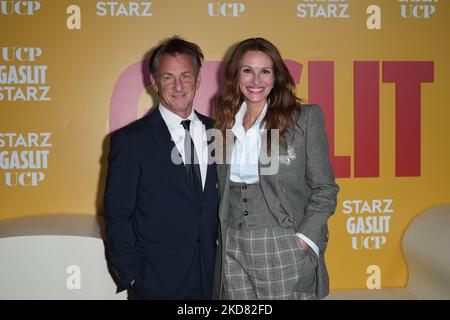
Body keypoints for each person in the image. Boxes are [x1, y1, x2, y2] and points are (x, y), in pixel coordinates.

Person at [213, 37, 339, 300]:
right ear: (236, 75)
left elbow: (325, 188)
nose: (255, 80)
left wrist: (304, 239)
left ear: (276, 76)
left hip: (281, 243)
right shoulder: (224, 125)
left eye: (265, 71)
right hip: (231, 245)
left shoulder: (303, 119)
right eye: (247, 70)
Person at [104, 36, 219, 299]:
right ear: (154, 82)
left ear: (198, 79)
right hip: (155, 285)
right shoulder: (131, 141)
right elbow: (117, 214)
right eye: (168, 77)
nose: (178, 86)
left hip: (212, 282)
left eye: (186, 76)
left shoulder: (219, 132)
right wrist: (132, 274)